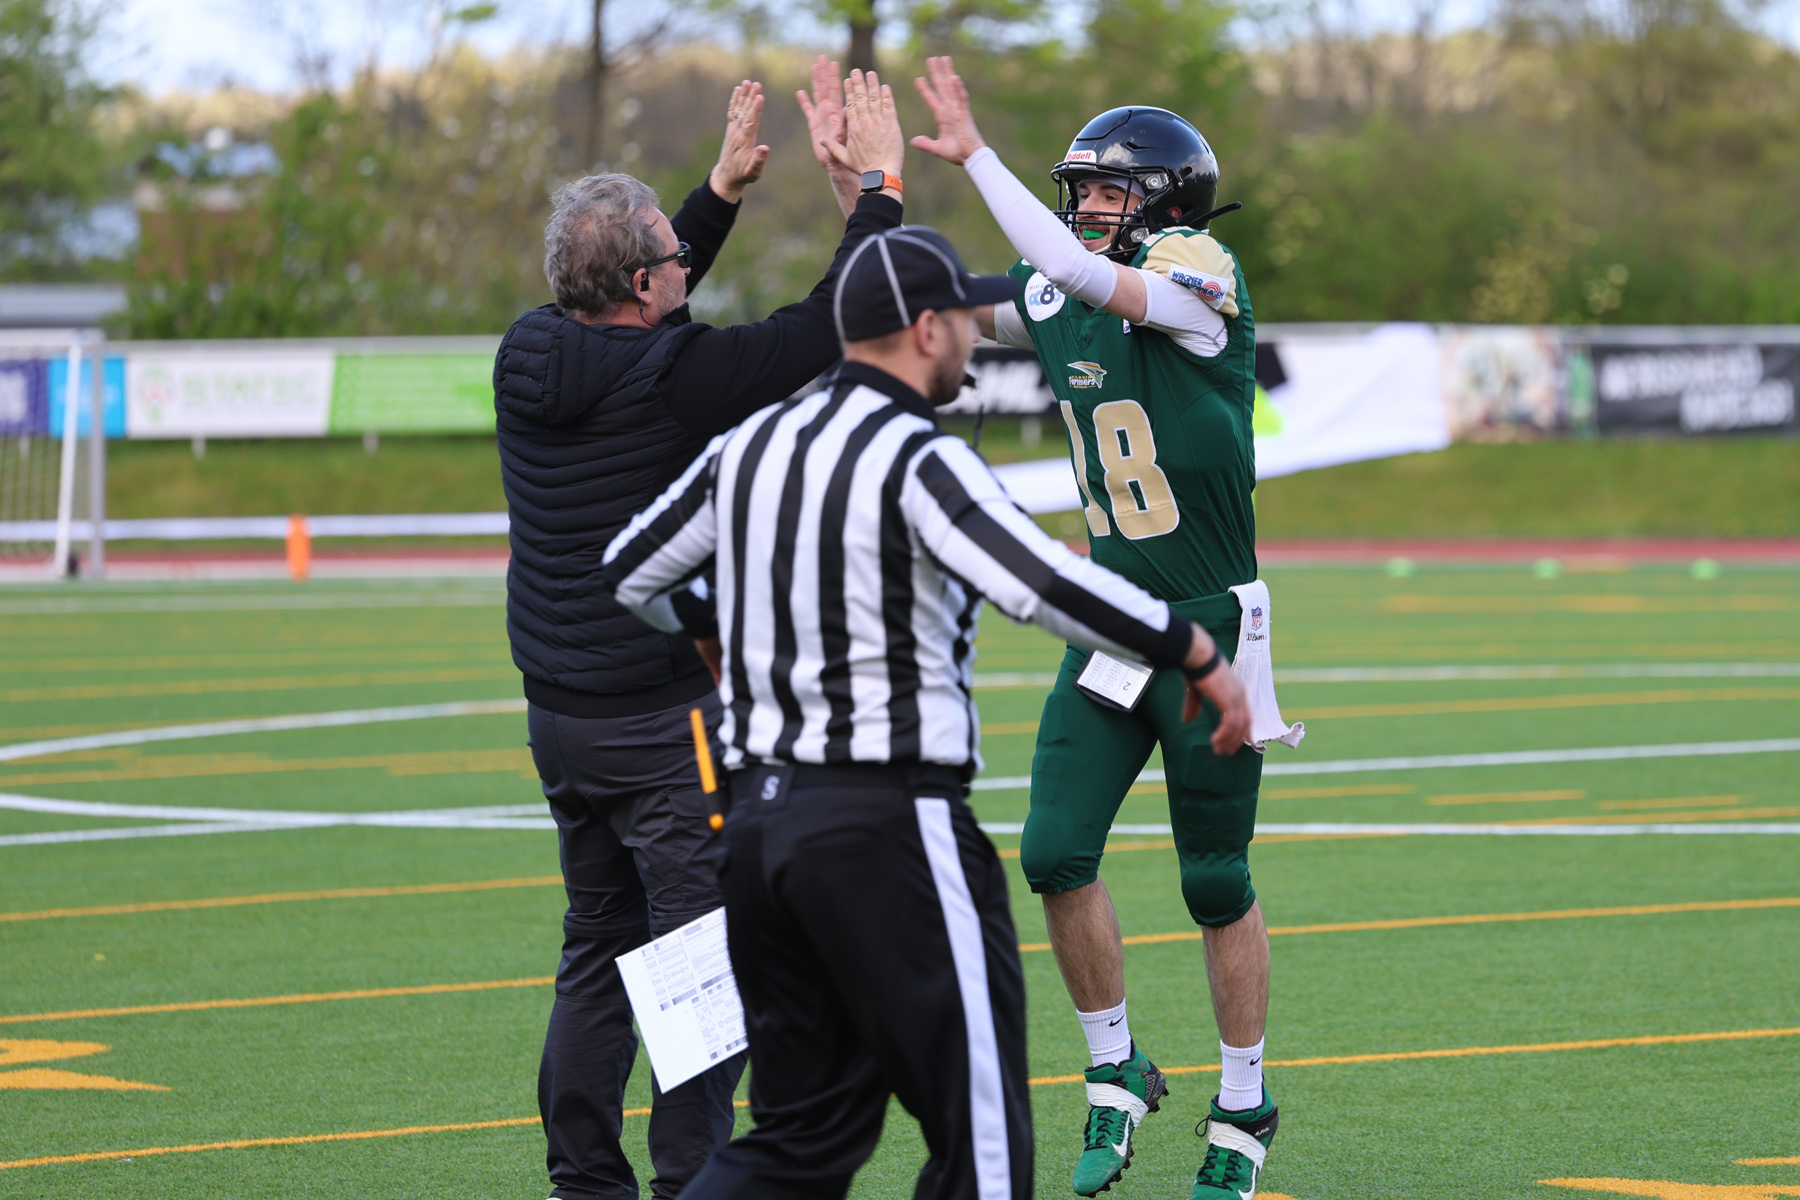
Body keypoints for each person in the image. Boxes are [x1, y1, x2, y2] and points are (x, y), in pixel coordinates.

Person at [600, 224, 1252, 1200]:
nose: (967, 337)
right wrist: (1193, 650)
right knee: (980, 1144)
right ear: (925, 329)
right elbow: (1042, 583)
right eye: (957, 317)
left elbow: (629, 570)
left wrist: (709, 626)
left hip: (757, 832)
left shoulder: (752, 443)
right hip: (887, 825)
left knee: (798, 1139)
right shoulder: (917, 456)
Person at [492, 63, 908, 1200]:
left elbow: (640, 307)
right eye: (674, 255)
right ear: (643, 282)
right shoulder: (678, 377)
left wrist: (716, 197)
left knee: (596, 949)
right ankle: (693, 1182)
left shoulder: (529, 349)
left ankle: (586, 1183)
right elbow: (827, 324)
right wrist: (879, 190)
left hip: (560, 719)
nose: (687, 262)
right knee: (698, 964)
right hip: (660, 719)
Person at [911, 57, 1285, 1200]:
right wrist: (869, 196)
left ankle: (1244, 1102)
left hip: (1211, 623)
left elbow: (1075, 268)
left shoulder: (1196, 279)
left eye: (1110, 190)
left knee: (1214, 879)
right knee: (1052, 851)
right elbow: (926, 309)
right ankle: (1116, 1068)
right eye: (1079, 190)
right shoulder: (1060, 287)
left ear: (1166, 203)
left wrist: (977, 152)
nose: (1087, 209)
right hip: (1115, 621)